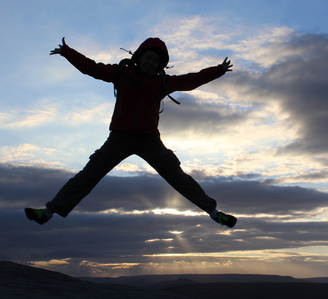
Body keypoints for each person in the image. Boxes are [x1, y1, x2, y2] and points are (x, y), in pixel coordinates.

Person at [25, 37, 237, 228]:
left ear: (160, 65)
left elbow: (192, 80)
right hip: (119, 138)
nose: (150, 63)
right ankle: (48, 212)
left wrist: (218, 70)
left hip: (150, 141)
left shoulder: (162, 83)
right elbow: (92, 68)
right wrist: (68, 52)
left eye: (155, 61)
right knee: (88, 175)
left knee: (177, 176)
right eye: (147, 58)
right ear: (139, 58)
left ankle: (214, 213)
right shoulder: (121, 74)